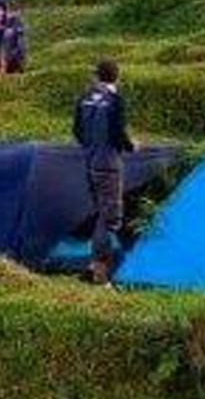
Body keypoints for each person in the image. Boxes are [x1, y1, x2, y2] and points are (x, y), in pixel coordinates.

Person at [73, 59, 135, 284]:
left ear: (96, 76)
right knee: (109, 217)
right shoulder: (116, 100)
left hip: (89, 161)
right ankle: (97, 270)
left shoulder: (84, 98)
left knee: (99, 210)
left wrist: (92, 147)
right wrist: (131, 146)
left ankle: (94, 266)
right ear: (117, 77)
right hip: (109, 164)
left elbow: (77, 131)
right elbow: (118, 133)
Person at [1, 6, 28, 74]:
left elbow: (21, 42)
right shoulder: (7, 24)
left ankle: (18, 69)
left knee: (17, 67)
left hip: (15, 52)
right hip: (10, 53)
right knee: (12, 68)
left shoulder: (17, 24)